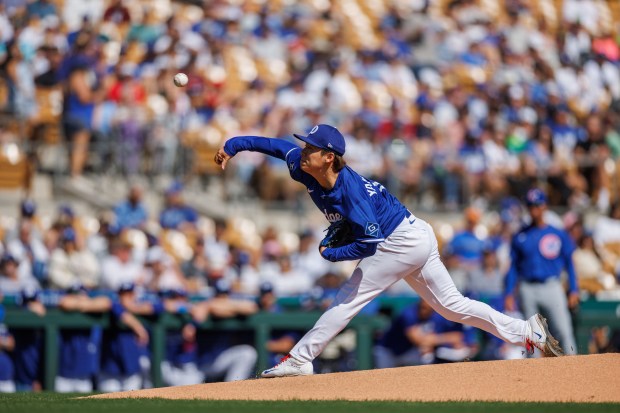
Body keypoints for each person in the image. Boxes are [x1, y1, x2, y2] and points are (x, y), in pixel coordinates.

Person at [214, 124, 564, 378]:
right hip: (414, 233)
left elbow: (370, 242)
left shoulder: (351, 193)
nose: (303, 151)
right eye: (305, 146)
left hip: (399, 240)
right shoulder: (304, 166)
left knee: (349, 298)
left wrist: (331, 254)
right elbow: (271, 144)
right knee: (452, 306)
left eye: (310, 148)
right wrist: (232, 145)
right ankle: (525, 332)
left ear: (329, 157)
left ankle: (300, 359)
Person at [504, 188, 579, 355]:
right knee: (532, 337)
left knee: (563, 331)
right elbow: (513, 267)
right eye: (530, 206)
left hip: (551, 286)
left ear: (545, 206)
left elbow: (570, 263)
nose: (534, 209)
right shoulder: (521, 235)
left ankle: (575, 371)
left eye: (537, 205)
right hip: (527, 288)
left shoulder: (557, 233)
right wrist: (509, 292)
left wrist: (574, 289)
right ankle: (534, 378)